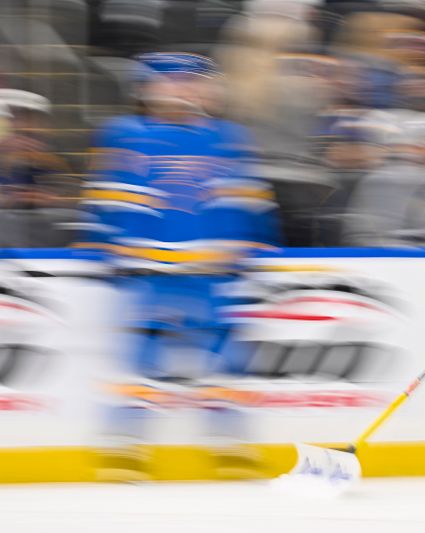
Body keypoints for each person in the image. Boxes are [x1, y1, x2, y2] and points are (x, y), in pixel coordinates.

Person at [81, 52, 279, 481]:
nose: (190, 90)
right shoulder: (123, 134)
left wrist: (252, 243)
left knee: (224, 365)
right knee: (141, 365)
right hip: (147, 274)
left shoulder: (227, 136)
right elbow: (107, 194)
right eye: (177, 82)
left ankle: (229, 447)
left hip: (211, 275)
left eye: (196, 82)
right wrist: (108, 242)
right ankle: (124, 449)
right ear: (147, 88)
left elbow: (247, 198)